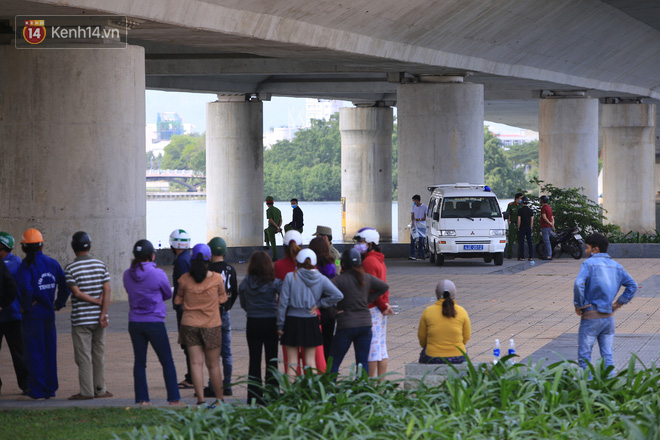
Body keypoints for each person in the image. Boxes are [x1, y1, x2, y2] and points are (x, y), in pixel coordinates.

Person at [124, 239, 182, 406]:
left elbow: (130, 291)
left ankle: (143, 400)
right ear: (152, 256)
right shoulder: (158, 274)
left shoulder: (127, 274)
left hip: (134, 322)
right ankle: (174, 399)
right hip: (155, 321)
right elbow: (167, 294)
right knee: (167, 361)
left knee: (140, 362)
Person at [15, 228, 68, 400]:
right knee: (49, 351)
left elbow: (27, 288)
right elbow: (65, 284)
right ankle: (50, 389)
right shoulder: (52, 263)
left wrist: (26, 307)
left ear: (23, 247)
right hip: (48, 314)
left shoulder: (25, 267)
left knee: (34, 353)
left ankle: (36, 389)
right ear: (42, 245)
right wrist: (58, 303)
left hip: (33, 317)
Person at [574, 233, 637, 371]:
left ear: (595, 249)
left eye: (587, 248)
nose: (586, 251)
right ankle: (610, 387)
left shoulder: (588, 264)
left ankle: (588, 389)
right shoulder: (616, 266)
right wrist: (618, 304)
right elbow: (633, 286)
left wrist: (579, 304)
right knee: (607, 356)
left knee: (584, 357)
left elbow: (578, 283)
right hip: (608, 318)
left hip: (590, 317)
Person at [277, 249, 343, 381]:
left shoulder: (290, 277)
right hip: (311, 321)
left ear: (298, 262)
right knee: (310, 362)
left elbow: (283, 303)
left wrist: (280, 324)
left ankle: (291, 396)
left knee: (292, 362)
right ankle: (311, 395)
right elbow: (338, 295)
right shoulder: (321, 278)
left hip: (292, 320)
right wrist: (320, 304)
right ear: (314, 263)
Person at [175, 243, 228, 406]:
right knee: (213, 365)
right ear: (209, 258)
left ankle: (200, 401)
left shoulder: (184, 280)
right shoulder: (217, 279)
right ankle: (220, 401)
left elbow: (178, 300)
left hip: (189, 325)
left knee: (195, 363)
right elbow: (223, 298)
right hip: (211, 325)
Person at [64, 231, 112, 400]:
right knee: (98, 354)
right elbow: (107, 290)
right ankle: (100, 389)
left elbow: (76, 293)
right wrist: (103, 312)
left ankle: (86, 392)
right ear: (89, 246)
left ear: (73, 248)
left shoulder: (70, 268)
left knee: (83, 356)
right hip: (100, 318)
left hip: (81, 319)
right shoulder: (100, 265)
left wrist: (95, 302)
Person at [329, 248, 388, 375]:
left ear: (343, 263)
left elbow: (325, 294)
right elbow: (384, 287)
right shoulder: (366, 278)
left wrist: (333, 311)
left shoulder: (339, 280)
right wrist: (368, 300)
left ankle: (329, 389)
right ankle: (362, 390)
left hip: (346, 325)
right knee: (362, 362)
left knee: (334, 361)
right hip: (365, 325)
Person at [239, 251, 282, 405]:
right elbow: (283, 299)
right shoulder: (275, 282)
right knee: (272, 360)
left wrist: (252, 310)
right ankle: (272, 395)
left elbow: (243, 303)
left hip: (253, 323)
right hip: (271, 322)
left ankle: (253, 396)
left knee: (254, 360)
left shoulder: (245, 283)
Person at [353, 227, 394, 378]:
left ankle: (369, 384)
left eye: (361, 242)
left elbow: (371, 288)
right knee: (381, 347)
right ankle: (381, 384)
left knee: (372, 349)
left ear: (370, 244)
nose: (358, 245)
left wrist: (382, 306)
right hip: (381, 307)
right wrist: (385, 305)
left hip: (373, 308)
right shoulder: (378, 259)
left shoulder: (369, 262)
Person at [204, 237, 238, 398]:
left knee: (212, 352)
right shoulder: (231, 269)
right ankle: (228, 384)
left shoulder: (208, 270)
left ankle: (213, 385)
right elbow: (235, 291)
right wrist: (228, 306)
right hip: (226, 313)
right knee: (227, 351)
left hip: (211, 314)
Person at [0, 232, 29, 395]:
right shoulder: (18, 262)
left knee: (19, 353)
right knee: (19, 352)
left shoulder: (12, 264)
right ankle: (25, 384)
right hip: (14, 315)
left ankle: (25, 383)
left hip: (11, 315)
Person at [417, 280, 471, 364]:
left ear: (436, 293)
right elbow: (466, 337)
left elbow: (422, 339)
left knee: (424, 353)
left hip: (433, 356)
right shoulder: (462, 311)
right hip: (457, 356)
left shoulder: (428, 311)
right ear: (454, 293)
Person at [169, 228, 194, 389]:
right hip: (188, 306)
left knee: (187, 344)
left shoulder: (180, 261)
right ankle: (191, 375)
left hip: (184, 308)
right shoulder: (188, 257)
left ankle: (191, 377)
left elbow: (183, 285)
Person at [308, 236, 337, 361]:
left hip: (312, 308)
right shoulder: (331, 267)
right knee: (328, 342)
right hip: (329, 308)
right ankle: (328, 372)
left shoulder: (309, 267)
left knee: (313, 344)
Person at [505, 193, 523, 259]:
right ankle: (510, 254)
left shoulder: (522, 205)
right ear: (517, 198)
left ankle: (519, 254)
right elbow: (508, 214)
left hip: (520, 224)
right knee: (511, 239)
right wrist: (509, 223)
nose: (521, 200)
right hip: (513, 223)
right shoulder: (511, 205)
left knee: (520, 239)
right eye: (521, 198)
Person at [409, 195, 428, 260]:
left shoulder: (425, 207)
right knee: (412, 241)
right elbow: (412, 215)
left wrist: (419, 219)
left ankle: (420, 255)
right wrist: (412, 222)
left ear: (417, 200)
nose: (413, 202)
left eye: (414, 201)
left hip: (422, 226)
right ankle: (412, 255)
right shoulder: (413, 207)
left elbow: (425, 217)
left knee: (421, 241)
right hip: (414, 226)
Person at [264, 196, 282, 261]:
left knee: (273, 243)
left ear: (266, 203)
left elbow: (271, 220)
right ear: (273, 202)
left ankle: (275, 257)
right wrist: (279, 227)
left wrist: (276, 227)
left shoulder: (269, 210)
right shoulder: (278, 210)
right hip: (276, 229)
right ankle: (267, 244)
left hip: (271, 228)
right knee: (265, 231)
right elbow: (280, 220)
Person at [516, 196, 534, 261]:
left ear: (522, 202)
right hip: (528, 227)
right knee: (530, 242)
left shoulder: (520, 210)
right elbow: (532, 220)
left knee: (522, 242)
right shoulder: (530, 210)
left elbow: (519, 220)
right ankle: (531, 256)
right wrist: (531, 227)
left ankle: (522, 257)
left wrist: (518, 227)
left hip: (522, 228)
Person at [539, 195, 555, 260]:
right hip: (549, 227)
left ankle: (549, 255)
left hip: (545, 226)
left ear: (542, 201)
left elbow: (544, 217)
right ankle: (546, 254)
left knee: (546, 242)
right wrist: (552, 225)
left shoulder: (543, 208)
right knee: (547, 241)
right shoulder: (549, 207)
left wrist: (549, 223)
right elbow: (552, 218)